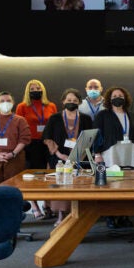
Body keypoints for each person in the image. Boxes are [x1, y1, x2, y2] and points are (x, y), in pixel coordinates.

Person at [42, 88, 94, 225]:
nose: (72, 102)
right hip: (59, 157)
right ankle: (60, 215)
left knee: (78, 185)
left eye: (75, 101)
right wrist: (59, 154)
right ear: (63, 101)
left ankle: (78, 214)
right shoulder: (55, 118)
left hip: (80, 158)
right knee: (61, 186)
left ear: (80, 102)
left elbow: (90, 138)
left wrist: (77, 155)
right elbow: (47, 137)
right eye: (69, 100)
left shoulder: (86, 119)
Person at [93, 86, 134, 229]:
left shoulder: (131, 114)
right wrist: (97, 154)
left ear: (125, 97)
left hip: (129, 152)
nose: (117, 97)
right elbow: (97, 134)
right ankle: (110, 216)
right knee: (113, 183)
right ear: (109, 99)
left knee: (127, 183)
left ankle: (124, 215)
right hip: (111, 153)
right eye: (114, 96)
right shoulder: (103, 115)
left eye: (120, 95)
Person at [15, 79, 58, 218]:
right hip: (31, 144)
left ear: (42, 90)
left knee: (50, 174)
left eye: (37, 88)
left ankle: (47, 203)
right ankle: (34, 206)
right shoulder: (22, 106)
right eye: (32, 89)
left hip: (48, 142)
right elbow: (19, 127)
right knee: (33, 175)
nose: (35, 91)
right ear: (28, 91)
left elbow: (55, 125)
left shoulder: (51, 105)